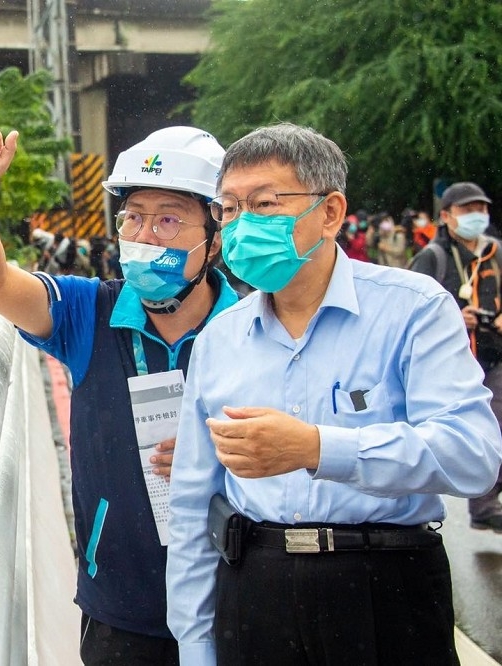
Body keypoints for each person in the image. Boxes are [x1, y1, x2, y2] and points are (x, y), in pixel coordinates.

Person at [164, 123, 502, 666]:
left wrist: (319, 449)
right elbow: (191, 502)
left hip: (386, 588)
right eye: (227, 209)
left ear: (329, 212)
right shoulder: (219, 340)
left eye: (265, 203)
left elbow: (473, 456)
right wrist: (196, 643)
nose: (242, 223)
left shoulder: (412, 310)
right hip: (256, 588)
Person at [0, 125, 239, 665]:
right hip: (122, 613)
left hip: (238, 603)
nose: (145, 234)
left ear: (215, 235)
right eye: (133, 216)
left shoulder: (252, 330)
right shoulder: (90, 315)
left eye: (170, 218)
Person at [409, 181, 502, 533]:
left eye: (481, 208)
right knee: (477, 429)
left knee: (497, 427)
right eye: (467, 210)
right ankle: (483, 504)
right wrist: (453, 317)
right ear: (446, 216)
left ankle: (485, 501)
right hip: (451, 360)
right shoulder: (433, 256)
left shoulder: (496, 252)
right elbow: (410, 308)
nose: (477, 215)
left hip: (494, 353)